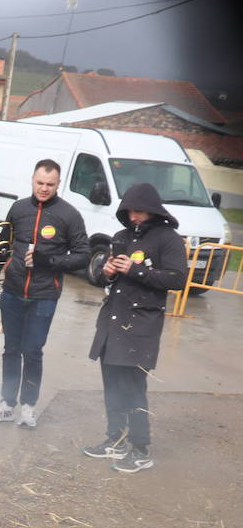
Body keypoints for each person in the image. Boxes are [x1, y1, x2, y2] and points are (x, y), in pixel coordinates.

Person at [82, 183, 185, 473]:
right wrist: (107, 272)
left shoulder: (169, 240)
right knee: (112, 387)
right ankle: (115, 438)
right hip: (112, 322)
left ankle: (141, 449)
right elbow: (105, 280)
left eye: (139, 211)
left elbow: (177, 279)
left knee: (133, 389)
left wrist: (136, 270)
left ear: (152, 210)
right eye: (130, 211)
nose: (134, 217)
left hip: (140, 327)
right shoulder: (120, 237)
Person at [0, 159, 89, 429]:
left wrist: (50, 261)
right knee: (11, 350)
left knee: (32, 351)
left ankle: (28, 406)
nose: (44, 188)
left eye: (50, 184)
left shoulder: (69, 215)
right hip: (13, 291)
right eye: (40, 183)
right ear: (32, 180)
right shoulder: (18, 209)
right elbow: (3, 245)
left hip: (44, 294)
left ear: (58, 184)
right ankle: (7, 404)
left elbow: (83, 256)